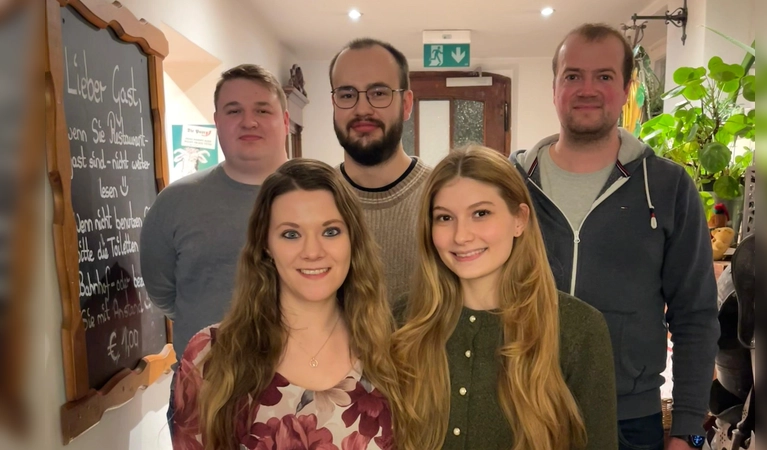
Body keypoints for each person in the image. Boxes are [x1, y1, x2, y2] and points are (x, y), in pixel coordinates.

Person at [510, 23, 720, 450]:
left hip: (629, 423)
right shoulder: (511, 183)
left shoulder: (668, 186)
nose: (587, 89)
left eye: (603, 76)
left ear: (626, 89)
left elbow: (695, 314)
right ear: (554, 89)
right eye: (573, 76)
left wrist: (689, 433)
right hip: (520, 411)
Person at [393, 146, 617, 450]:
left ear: (519, 219)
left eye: (481, 213)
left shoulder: (579, 328)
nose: (461, 236)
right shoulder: (403, 321)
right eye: (445, 217)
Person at [170, 159, 400, 450]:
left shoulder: (392, 357)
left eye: (330, 231)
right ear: (266, 245)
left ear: (353, 240)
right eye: (291, 234)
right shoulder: (211, 356)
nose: (313, 252)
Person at [140, 64, 289, 432]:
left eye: (262, 110)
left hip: (303, 392)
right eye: (234, 110)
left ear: (285, 120)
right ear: (217, 122)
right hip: (206, 395)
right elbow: (164, 293)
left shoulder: (323, 196)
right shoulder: (175, 202)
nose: (248, 121)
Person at [329, 37, 432, 303]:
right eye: (347, 95)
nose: (362, 109)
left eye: (379, 93)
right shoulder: (313, 199)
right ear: (334, 104)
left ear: (406, 104)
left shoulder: (442, 197)